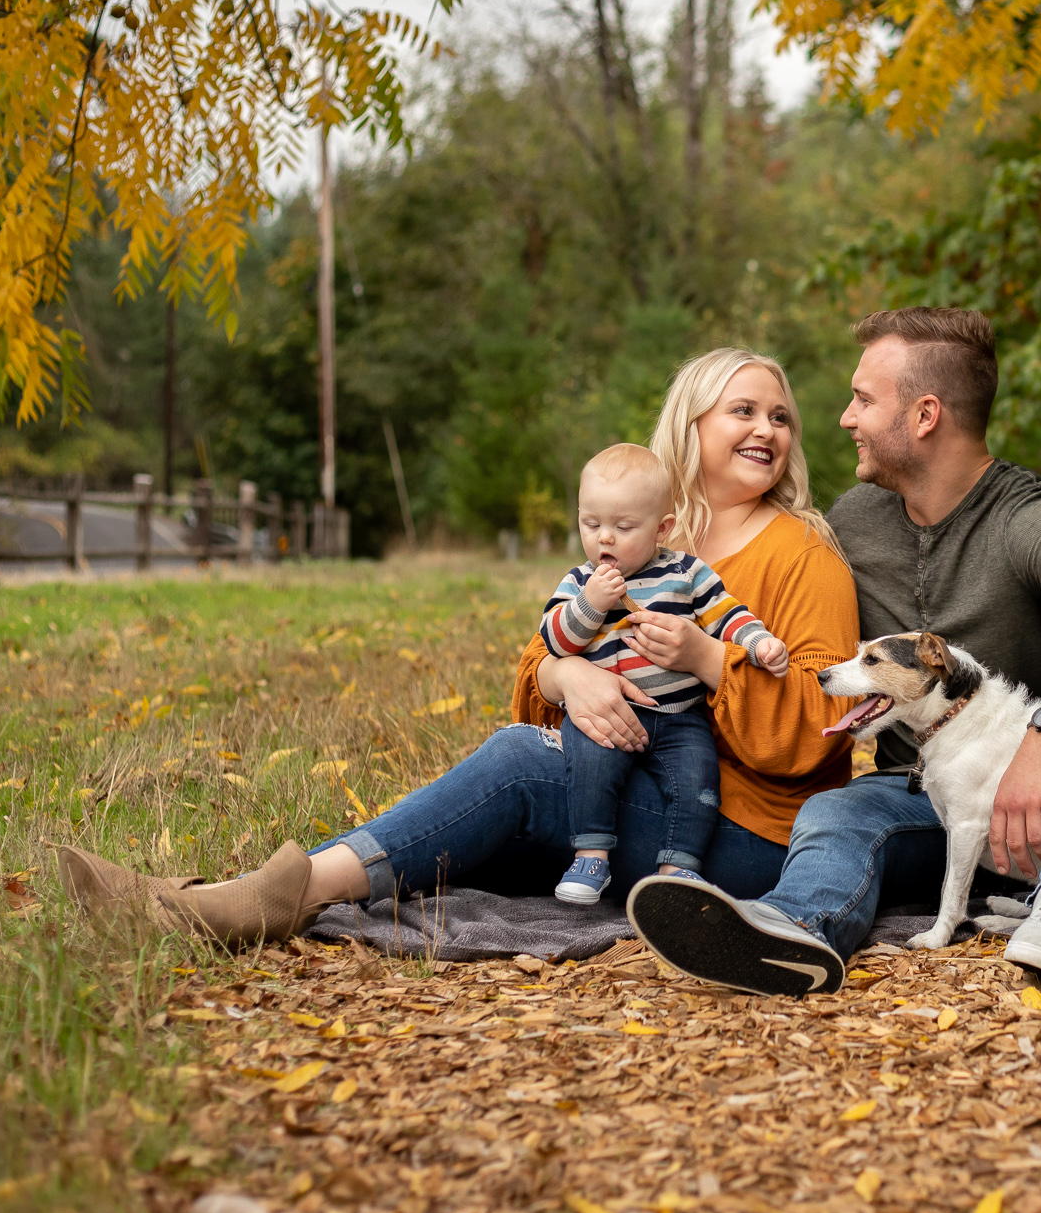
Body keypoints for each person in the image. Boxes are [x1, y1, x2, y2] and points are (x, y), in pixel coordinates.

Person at [53, 348, 858, 944]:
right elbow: (540, 654)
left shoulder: (802, 554)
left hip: (741, 831)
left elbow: (829, 719)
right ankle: (228, 894)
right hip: (619, 788)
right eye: (743, 409)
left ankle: (261, 900)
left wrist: (709, 659)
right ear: (690, 424)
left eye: (781, 415)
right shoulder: (635, 538)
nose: (767, 428)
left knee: (517, 763)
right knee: (505, 789)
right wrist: (567, 672)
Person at [628, 308, 1041, 992]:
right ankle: (790, 932)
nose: (844, 417)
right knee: (835, 810)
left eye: (863, 399)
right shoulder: (854, 523)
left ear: (924, 416)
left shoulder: (1026, 518)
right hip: (928, 798)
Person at [541, 442, 789, 904]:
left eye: (623, 527)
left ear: (662, 528)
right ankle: (591, 856)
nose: (605, 539)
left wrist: (758, 642)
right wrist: (591, 604)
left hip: (679, 716)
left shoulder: (685, 573)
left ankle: (680, 869)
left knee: (697, 783)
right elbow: (556, 642)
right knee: (590, 769)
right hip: (611, 714)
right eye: (591, 524)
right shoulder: (579, 582)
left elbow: (727, 615)